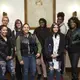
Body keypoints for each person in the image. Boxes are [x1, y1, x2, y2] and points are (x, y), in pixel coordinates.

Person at [57, 12, 68, 77]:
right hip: (58, 47)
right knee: (58, 61)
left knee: (61, 61)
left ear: (63, 20)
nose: (58, 20)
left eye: (60, 19)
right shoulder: (58, 26)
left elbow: (62, 39)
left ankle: (61, 74)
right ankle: (59, 74)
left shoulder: (63, 27)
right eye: (58, 19)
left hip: (61, 47)